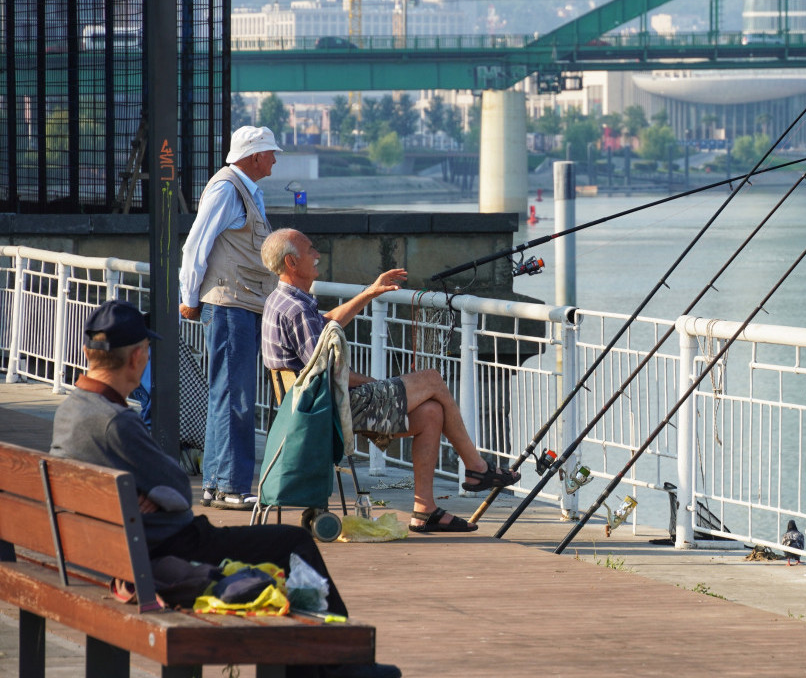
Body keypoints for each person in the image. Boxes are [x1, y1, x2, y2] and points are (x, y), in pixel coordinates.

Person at [50, 300, 399, 678]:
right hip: (165, 552)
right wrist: (152, 498)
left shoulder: (72, 410)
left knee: (281, 545)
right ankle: (339, 663)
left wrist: (148, 498)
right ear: (136, 357)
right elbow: (180, 491)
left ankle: (321, 665)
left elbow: (164, 493)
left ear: (89, 353)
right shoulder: (116, 423)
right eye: (148, 351)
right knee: (292, 544)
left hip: (105, 554)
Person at [259, 228, 519, 533]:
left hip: (311, 408)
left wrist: (370, 292)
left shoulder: (282, 301)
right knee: (433, 380)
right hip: (330, 410)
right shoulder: (297, 310)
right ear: (292, 262)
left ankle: (425, 510)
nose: (317, 255)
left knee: (431, 412)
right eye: (310, 250)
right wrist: (374, 384)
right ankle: (477, 468)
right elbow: (325, 372)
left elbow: (326, 326)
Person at [179, 125, 280, 510]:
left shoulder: (244, 191)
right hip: (228, 305)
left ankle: (217, 484)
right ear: (253, 156)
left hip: (240, 304)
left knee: (226, 394)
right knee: (235, 397)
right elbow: (195, 245)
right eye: (270, 153)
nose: (273, 159)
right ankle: (233, 487)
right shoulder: (227, 189)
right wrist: (189, 298)